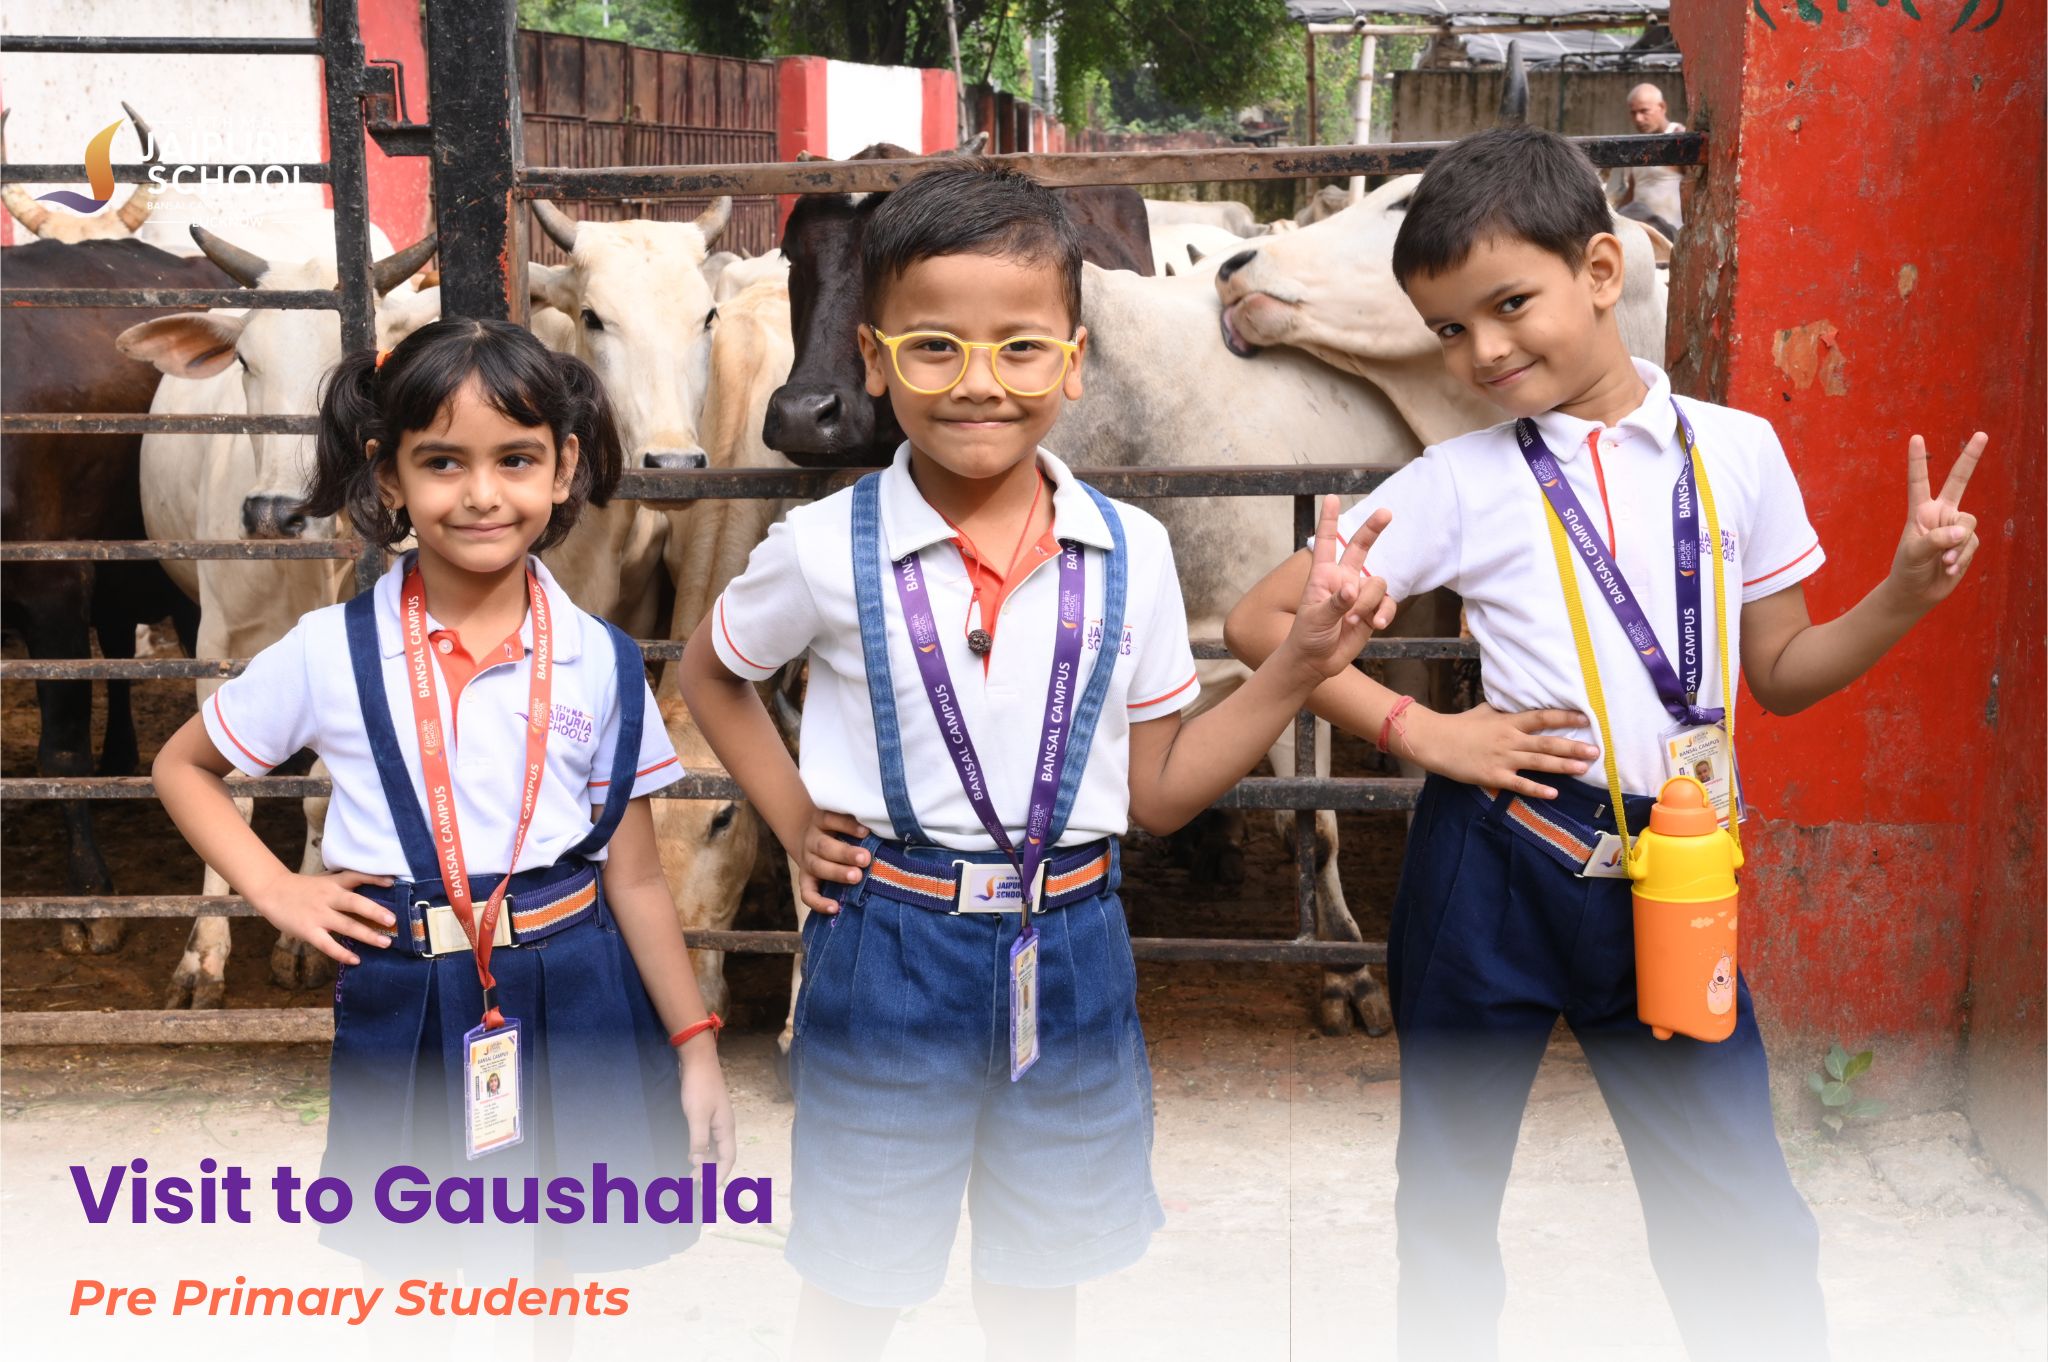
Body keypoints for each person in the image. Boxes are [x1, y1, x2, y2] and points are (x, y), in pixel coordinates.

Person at [1226, 125, 1986, 1361]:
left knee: (1739, 1213)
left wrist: (1900, 595)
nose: (1482, 351)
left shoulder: (1735, 452)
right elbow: (1261, 621)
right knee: (1448, 1204)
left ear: (1597, 270)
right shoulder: (1459, 477)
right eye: (1448, 329)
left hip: (1672, 877)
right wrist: (1424, 732)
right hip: (1493, 869)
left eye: (1507, 305)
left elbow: (1781, 675)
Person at [678, 160, 1394, 1362]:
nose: (977, 383)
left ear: (1072, 363)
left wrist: (1295, 668)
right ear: (871, 359)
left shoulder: (1130, 553)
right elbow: (712, 674)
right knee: (858, 1275)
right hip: (887, 942)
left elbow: (1158, 791)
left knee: (1039, 1276)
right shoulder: (822, 546)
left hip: (1069, 946)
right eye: (933, 348)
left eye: (1018, 349)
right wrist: (794, 815)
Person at [153, 319, 737, 1281]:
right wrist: (277, 888)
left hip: (577, 985)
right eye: (442, 462)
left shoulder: (600, 658)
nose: (481, 494)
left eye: (516, 459)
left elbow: (634, 879)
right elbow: (184, 766)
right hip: (410, 992)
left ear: (564, 469)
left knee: (560, 1270)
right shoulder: (328, 651)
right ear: (388, 476)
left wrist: (695, 1048)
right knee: (425, 1271)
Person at [1612, 81, 1686, 238]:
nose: (1638, 118)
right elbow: (1632, 192)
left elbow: (1696, 188)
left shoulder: (1678, 137)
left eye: (1644, 111)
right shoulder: (1637, 146)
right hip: (1643, 236)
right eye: (1633, 113)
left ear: (1662, 107)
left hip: (1674, 236)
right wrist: (1613, 218)